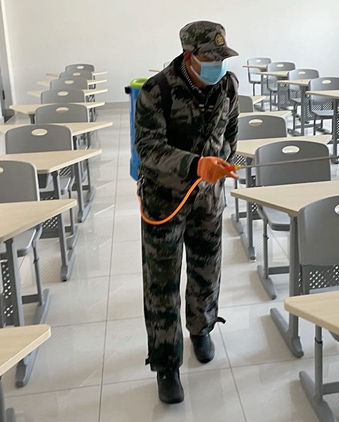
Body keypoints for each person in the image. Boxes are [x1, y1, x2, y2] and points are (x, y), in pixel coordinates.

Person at [134, 20, 239, 404]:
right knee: (162, 285)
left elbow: (230, 132)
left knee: (206, 269)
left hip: (208, 199)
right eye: (209, 59)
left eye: (220, 58)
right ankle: (166, 364)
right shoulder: (157, 91)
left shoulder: (228, 85)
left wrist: (222, 163)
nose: (217, 66)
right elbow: (148, 150)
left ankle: (202, 328)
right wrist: (196, 165)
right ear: (188, 56)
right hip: (165, 202)